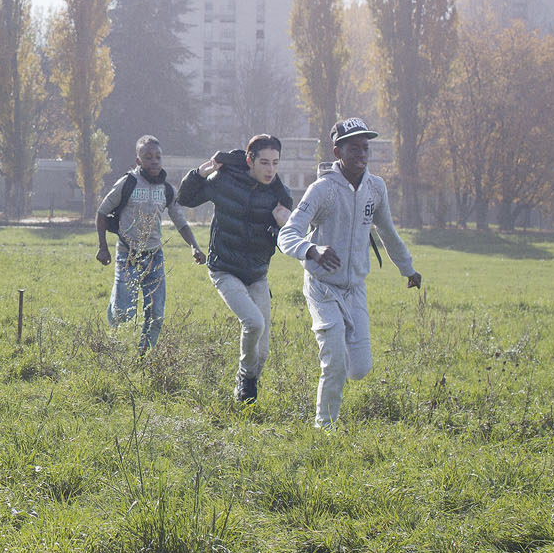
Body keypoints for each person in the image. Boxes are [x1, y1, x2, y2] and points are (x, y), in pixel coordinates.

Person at [277, 117, 422, 429]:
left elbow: (388, 233)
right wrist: (311, 250)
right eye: (353, 147)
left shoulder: (375, 188)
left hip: (355, 288)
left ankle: (338, 355)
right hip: (322, 286)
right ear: (337, 151)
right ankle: (323, 428)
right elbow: (287, 234)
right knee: (336, 362)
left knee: (360, 368)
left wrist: (408, 268)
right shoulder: (322, 190)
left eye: (365, 147)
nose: (361, 152)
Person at [177, 135, 294, 403]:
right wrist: (198, 173)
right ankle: (245, 379)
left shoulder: (279, 194)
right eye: (264, 162)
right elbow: (186, 198)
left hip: (257, 274)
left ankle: (246, 392)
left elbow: (288, 242)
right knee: (253, 323)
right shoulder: (224, 181)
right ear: (249, 160)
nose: (270, 170)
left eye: (275, 163)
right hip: (224, 269)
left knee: (262, 353)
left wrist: (283, 226)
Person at [95, 135, 205, 351]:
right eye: (148, 157)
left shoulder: (167, 189)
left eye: (157, 157)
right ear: (138, 161)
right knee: (124, 311)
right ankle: (118, 344)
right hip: (128, 254)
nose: (154, 161)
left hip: (154, 256)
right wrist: (102, 246)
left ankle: (144, 355)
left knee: (156, 312)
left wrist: (194, 246)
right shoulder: (128, 183)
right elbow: (101, 212)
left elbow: (180, 221)